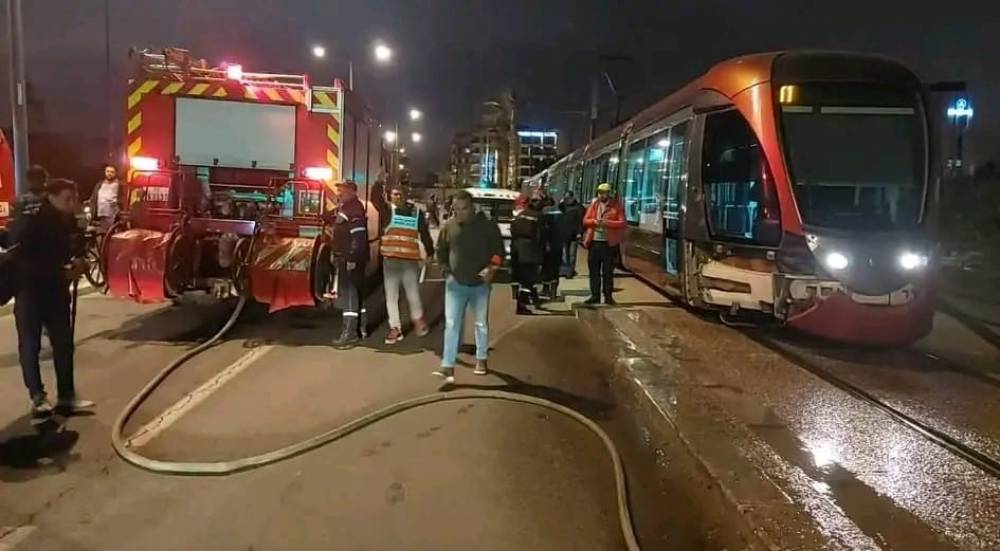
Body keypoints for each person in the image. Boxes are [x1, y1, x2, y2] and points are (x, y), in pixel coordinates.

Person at [9, 178, 93, 421]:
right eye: (68, 198)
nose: (72, 203)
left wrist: (79, 261)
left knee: (64, 345)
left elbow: (72, 247)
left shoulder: (65, 219)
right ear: (53, 195)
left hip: (56, 292)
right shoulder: (32, 217)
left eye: (73, 199)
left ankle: (66, 397)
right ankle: (38, 397)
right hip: (30, 291)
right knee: (30, 345)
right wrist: (62, 271)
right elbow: (23, 256)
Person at [434, 190, 504, 383]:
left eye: (463, 209)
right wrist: (445, 270)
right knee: (451, 325)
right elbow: (441, 250)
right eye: (455, 209)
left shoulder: (488, 226)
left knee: (480, 324)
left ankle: (481, 359)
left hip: (480, 286)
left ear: (472, 207)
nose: (459, 213)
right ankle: (447, 365)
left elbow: (499, 252)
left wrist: (492, 269)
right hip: (455, 284)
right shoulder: (449, 226)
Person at [381, 184, 435, 344]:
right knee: (391, 297)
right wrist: (379, 183)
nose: (395, 197)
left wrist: (430, 252)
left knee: (413, 294)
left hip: (409, 261)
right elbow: (376, 201)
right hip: (390, 261)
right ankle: (395, 328)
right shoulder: (387, 211)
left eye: (398, 194)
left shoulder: (416, 213)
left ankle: (418, 320)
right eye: (393, 194)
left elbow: (424, 234)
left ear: (405, 196)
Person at [331, 180, 369, 346]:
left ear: (353, 192)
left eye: (343, 191)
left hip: (350, 259)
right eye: (339, 191)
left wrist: (352, 259)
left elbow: (358, 237)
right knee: (356, 294)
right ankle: (361, 329)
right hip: (349, 258)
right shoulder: (347, 207)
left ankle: (349, 333)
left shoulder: (353, 209)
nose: (339, 194)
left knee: (350, 295)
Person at [582, 183, 626, 306]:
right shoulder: (594, 205)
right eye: (600, 192)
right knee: (594, 271)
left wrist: (607, 223)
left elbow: (622, 223)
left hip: (609, 244)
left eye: (604, 192)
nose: (601, 194)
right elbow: (585, 220)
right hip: (594, 243)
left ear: (609, 193)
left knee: (608, 272)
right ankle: (595, 295)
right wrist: (594, 221)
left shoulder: (616, 206)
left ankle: (608, 296)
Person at [509, 192, 549, 315]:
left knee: (521, 277)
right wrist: (542, 251)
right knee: (528, 279)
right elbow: (541, 236)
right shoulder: (540, 216)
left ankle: (529, 298)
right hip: (530, 251)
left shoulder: (522, 214)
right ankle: (521, 305)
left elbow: (513, 229)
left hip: (517, 249)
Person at [558, 191, 585, 278]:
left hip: (574, 234)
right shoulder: (564, 206)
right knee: (565, 255)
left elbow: (581, 221)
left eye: (568, 198)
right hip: (564, 233)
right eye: (565, 198)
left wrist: (580, 232)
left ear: (573, 197)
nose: (567, 200)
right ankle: (567, 270)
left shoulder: (579, 207)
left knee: (572, 254)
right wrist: (562, 202)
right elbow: (559, 207)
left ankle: (570, 272)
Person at [89, 164, 121, 229]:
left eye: (112, 172)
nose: (109, 173)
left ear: (116, 173)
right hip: (99, 214)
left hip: (113, 215)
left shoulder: (120, 185)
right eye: (108, 171)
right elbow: (93, 198)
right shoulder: (100, 184)